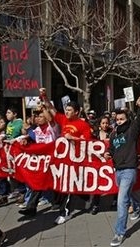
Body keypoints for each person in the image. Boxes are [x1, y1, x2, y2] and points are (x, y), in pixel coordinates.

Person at [39, 88, 93, 225]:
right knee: (69, 185)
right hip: (63, 159)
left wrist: (72, 138)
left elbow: (88, 142)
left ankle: (65, 212)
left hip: (76, 160)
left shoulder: (83, 125)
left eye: (69, 110)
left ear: (76, 112)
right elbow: (51, 108)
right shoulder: (63, 120)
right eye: (66, 109)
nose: (67, 112)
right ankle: (87, 197)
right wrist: (44, 96)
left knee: (69, 185)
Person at [104, 97, 140, 247]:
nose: (119, 121)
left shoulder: (131, 131)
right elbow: (111, 149)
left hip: (129, 170)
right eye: (117, 119)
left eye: (122, 119)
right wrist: (107, 153)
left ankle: (119, 232)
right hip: (118, 171)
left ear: (127, 120)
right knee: (126, 195)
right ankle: (138, 206)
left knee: (121, 201)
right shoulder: (114, 134)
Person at [18, 110, 59, 216]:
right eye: (37, 116)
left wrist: (44, 105)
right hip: (41, 163)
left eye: (41, 116)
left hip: (54, 161)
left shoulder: (52, 128)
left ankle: (57, 201)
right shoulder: (37, 130)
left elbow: (51, 119)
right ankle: (32, 207)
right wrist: (26, 139)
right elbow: (32, 136)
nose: (38, 118)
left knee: (53, 183)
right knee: (39, 183)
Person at [90, 115, 112, 215]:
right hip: (98, 162)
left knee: (113, 180)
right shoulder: (95, 134)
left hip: (110, 161)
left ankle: (115, 199)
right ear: (99, 124)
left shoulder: (112, 133)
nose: (105, 125)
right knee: (97, 183)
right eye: (103, 123)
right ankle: (95, 204)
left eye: (106, 123)